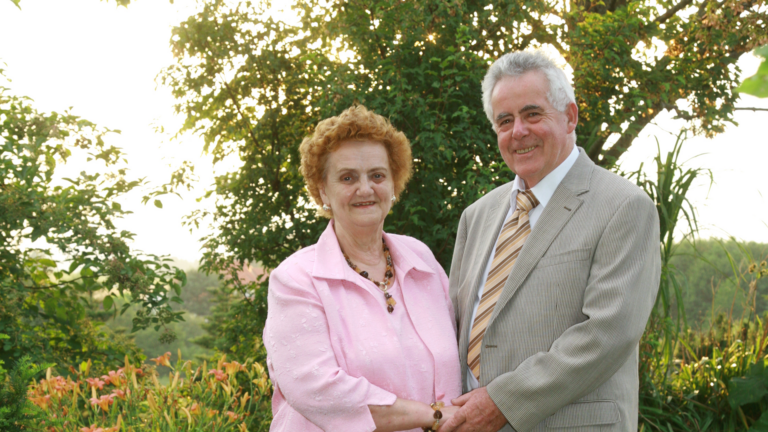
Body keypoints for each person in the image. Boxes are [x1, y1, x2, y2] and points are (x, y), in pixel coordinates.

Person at [442, 51, 661, 432]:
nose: (518, 131)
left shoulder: (624, 207)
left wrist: (503, 402)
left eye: (532, 114)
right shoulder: (476, 216)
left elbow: (607, 335)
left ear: (570, 116)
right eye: (505, 121)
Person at [263, 105, 462, 432]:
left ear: (394, 184)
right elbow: (318, 389)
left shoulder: (422, 260)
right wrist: (434, 417)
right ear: (323, 190)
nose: (366, 189)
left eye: (377, 175)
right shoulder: (296, 279)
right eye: (348, 178)